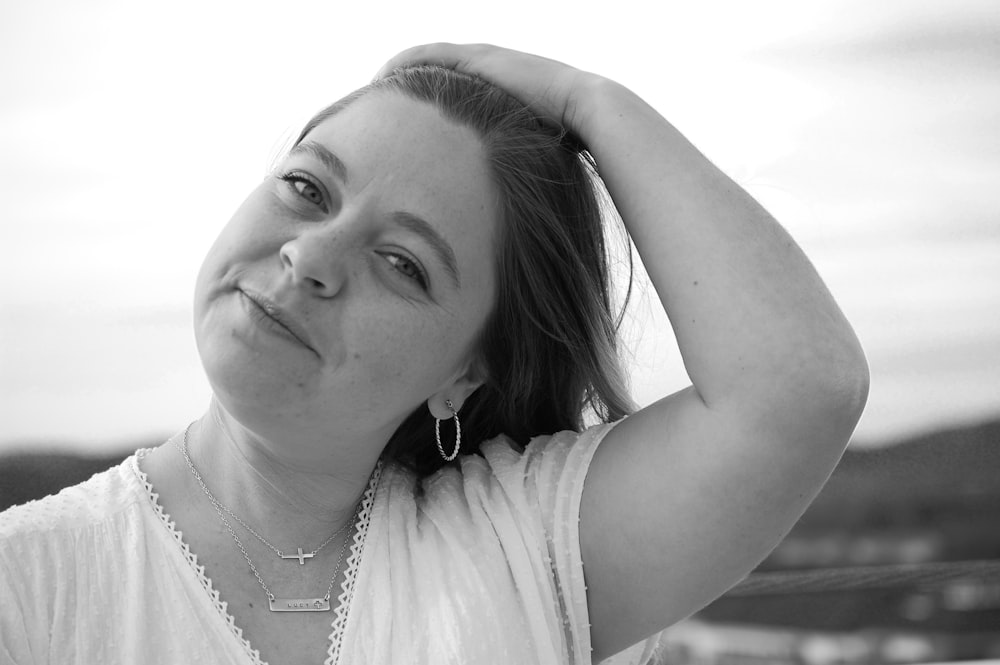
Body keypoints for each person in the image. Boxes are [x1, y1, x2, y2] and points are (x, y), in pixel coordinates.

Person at [0, 43, 869, 664]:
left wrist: (589, 100)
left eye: (403, 263)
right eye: (307, 187)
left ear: (467, 370)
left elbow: (800, 386)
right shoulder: (29, 582)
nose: (310, 256)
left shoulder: (521, 547)